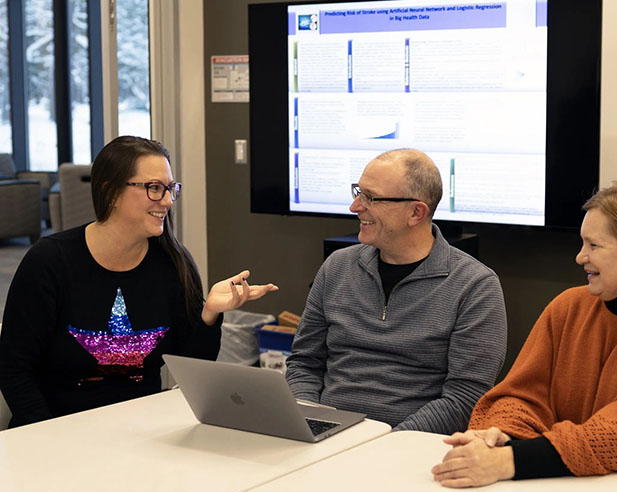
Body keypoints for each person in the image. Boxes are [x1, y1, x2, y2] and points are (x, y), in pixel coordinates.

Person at [431, 179, 617, 492]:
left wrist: (506, 461)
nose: (580, 257)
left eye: (594, 246)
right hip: (564, 486)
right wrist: (500, 435)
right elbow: (519, 396)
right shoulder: (569, 307)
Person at [0, 136, 278, 428]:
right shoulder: (50, 261)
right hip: (55, 432)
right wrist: (46, 434)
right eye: (154, 188)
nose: (168, 201)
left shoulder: (174, 263)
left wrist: (209, 314)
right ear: (111, 193)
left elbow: (193, 371)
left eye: (171, 188)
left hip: (141, 433)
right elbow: (14, 368)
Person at [285, 149, 507, 434]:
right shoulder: (337, 267)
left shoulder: (475, 286)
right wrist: (308, 420)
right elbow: (304, 362)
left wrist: (387, 441)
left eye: (371, 198)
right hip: (328, 435)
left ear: (416, 212)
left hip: (409, 445)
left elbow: (464, 398)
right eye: (357, 192)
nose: (355, 207)